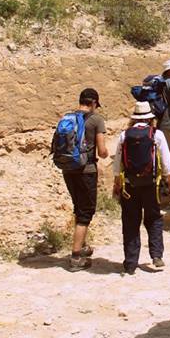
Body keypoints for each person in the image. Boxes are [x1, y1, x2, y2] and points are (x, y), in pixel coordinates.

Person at [113, 101, 170, 275]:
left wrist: (117, 183)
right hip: (151, 185)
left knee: (130, 221)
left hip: (129, 186)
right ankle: (156, 255)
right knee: (154, 218)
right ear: (150, 118)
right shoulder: (157, 134)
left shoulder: (124, 135)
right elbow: (166, 161)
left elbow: (118, 163)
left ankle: (131, 263)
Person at [61, 88, 109, 272]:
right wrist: (105, 153)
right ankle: (75, 257)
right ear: (94, 103)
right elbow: (103, 151)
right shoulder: (96, 120)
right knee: (86, 212)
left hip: (68, 169)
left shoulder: (67, 117)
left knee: (78, 207)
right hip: (86, 170)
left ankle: (81, 245)